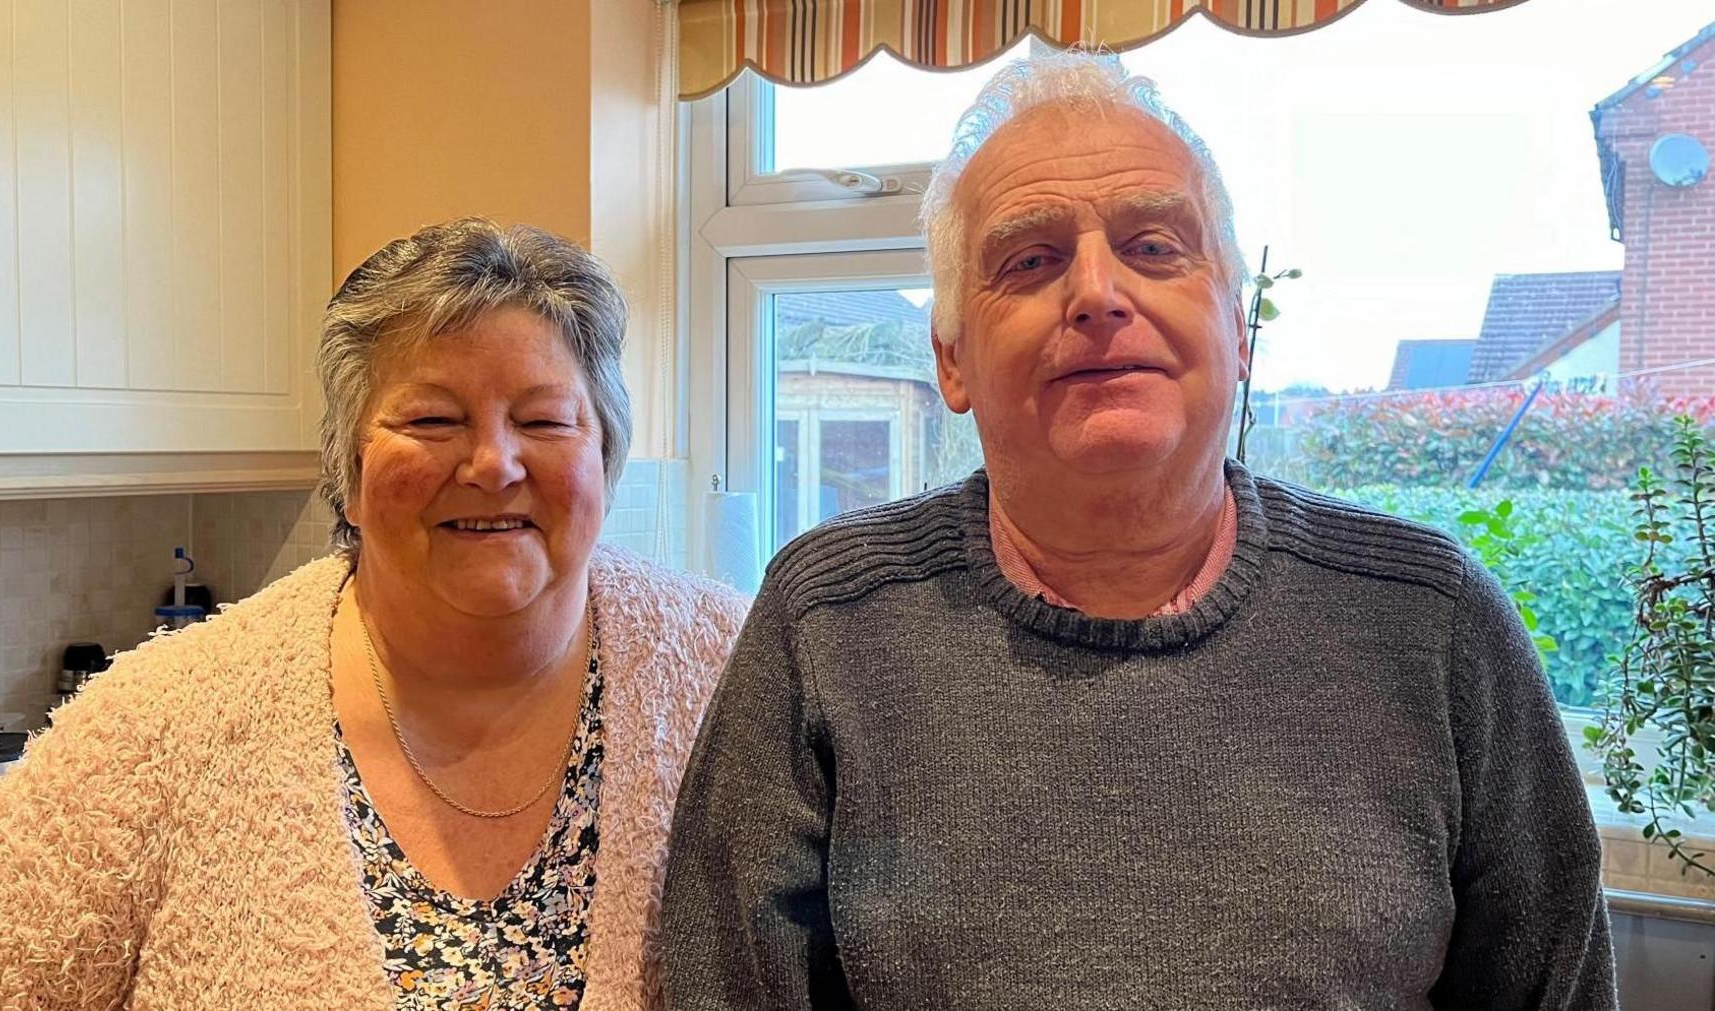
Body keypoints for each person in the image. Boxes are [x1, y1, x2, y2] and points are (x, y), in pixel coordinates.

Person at [661, 49, 1614, 1010]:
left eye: (1155, 246)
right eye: (1029, 260)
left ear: (1237, 326)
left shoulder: (1432, 622)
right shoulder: (827, 619)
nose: (1098, 294)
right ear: (951, 358)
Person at [0, 218, 747, 1010]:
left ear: (606, 457)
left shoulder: (739, 674)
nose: (494, 463)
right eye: (431, 419)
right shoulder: (164, 723)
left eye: (544, 420)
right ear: (347, 468)